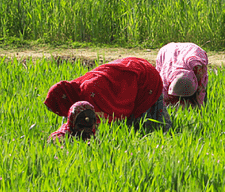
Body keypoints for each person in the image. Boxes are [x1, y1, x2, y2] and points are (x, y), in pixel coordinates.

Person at [44, 57, 172, 142]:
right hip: (129, 69)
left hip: (143, 77)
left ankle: (163, 136)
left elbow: (97, 122)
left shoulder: (89, 94)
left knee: (146, 125)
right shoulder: (74, 92)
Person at [155, 42, 209, 108]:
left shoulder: (198, 68)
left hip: (193, 51)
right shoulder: (165, 78)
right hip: (167, 51)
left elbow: (201, 88)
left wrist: (200, 106)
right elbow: (161, 97)